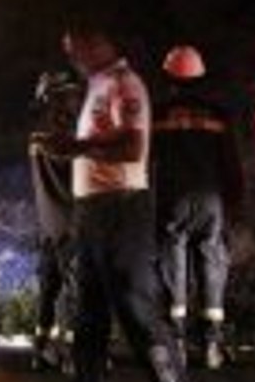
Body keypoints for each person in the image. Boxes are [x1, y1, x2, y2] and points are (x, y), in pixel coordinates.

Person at [35, 22, 185, 382]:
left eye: (75, 49)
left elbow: (134, 149)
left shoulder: (124, 83)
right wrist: (72, 147)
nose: (72, 59)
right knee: (89, 310)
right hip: (92, 210)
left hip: (121, 207)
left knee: (134, 303)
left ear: (98, 44)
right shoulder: (98, 85)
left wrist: (78, 147)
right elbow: (103, 144)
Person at [152, 45, 243, 370]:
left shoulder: (158, 112)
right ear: (201, 77)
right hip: (211, 199)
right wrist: (235, 198)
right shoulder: (218, 114)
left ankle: (175, 342)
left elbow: (148, 160)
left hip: (172, 199)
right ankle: (211, 345)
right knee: (211, 264)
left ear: (168, 77)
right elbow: (231, 160)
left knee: (172, 267)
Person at [28, 70, 83, 373]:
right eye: (72, 94)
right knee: (74, 292)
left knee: (48, 289)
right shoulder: (74, 133)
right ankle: (71, 354)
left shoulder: (36, 134)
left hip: (47, 224)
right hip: (72, 224)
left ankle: (40, 350)